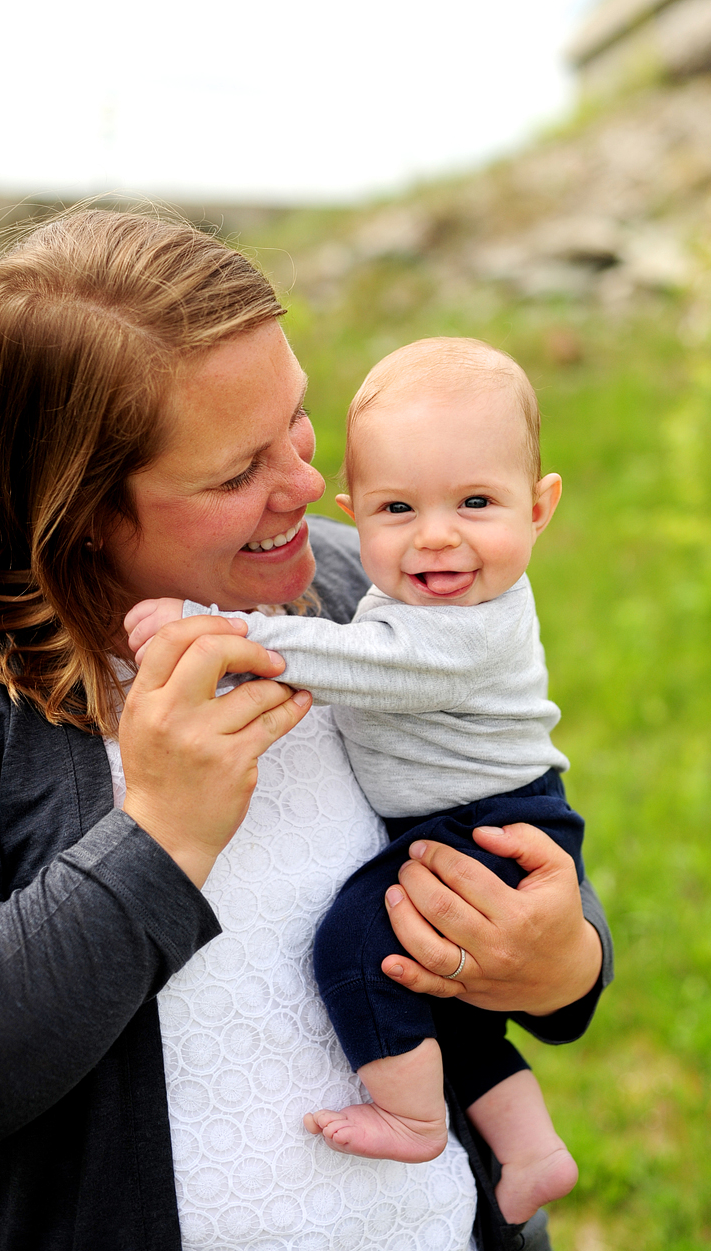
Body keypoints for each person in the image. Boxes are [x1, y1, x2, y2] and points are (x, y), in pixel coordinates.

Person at [0, 208, 612, 1251]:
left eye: (298, 419)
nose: (309, 486)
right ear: (82, 507)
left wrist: (564, 961)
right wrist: (158, 839)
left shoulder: (360, 581)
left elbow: (491, 803)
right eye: (237, 473)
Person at [126, 337, 583, 1226]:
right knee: (447, 1008)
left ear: (540, 507)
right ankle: (531, 1148)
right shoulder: (419, 590)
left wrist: (210, 625)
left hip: (489, 820)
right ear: (357, 514)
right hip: (475, 813)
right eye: (399, 507)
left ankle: (413, 1117)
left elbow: (367, 662)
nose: (438, 534)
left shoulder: (461, 627)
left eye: (477, 502)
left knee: (358, 945)